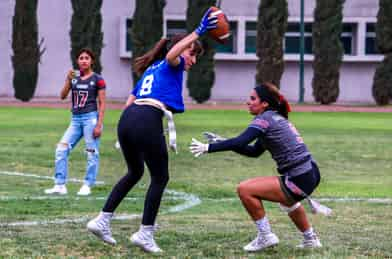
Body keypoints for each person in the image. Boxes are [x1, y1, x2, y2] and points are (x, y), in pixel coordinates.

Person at [86, 9, 216, 253]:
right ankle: (145, 233)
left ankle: (102, 220)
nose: (194, 59)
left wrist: (124, 133)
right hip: (146, 118)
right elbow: (173, 55)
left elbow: (130, 100)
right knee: (160, 177)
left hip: (128, 119)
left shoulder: (152, 69)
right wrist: (198, 32)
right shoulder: (171, 63)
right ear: (180, 48)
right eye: (193, 53)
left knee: (135, 172)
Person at [190, 82, 329, 252]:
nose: (248, 102)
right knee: (287, 202)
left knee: (245, 189)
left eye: (252, 98)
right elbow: (254, 151)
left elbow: (241, 141)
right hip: (310, 173)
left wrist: (208, 148)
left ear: (264, 104)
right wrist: (222, 142)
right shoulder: (275, 117)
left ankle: (266, 236)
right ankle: (310, 239)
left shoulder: (264, 119)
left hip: (299, 176)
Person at [44, 48, 106, 196]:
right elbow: (62, 96)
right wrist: (67, 79)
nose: (84, 60)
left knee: (91, 152)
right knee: (61, 149)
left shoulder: (98, 79)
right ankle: (60, 185)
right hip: (75, 119)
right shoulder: (73, 77)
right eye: (81, 58)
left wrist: (99, 124)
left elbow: (102, 103)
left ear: (92, 61)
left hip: (90, 119)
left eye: (87, 58)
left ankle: (87, 184)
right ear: (77, 61)